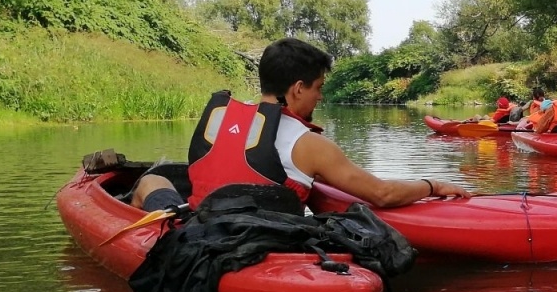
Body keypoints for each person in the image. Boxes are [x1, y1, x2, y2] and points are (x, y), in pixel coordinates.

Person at [133, 37, 470, 212]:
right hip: (256, 243)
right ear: (297, 88)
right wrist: (433, 185)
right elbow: (382, 194)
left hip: (196, 225)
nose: (320, 98)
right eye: (318, 88)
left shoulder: (221, 123)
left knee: (152, 181)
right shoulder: (308, 145)